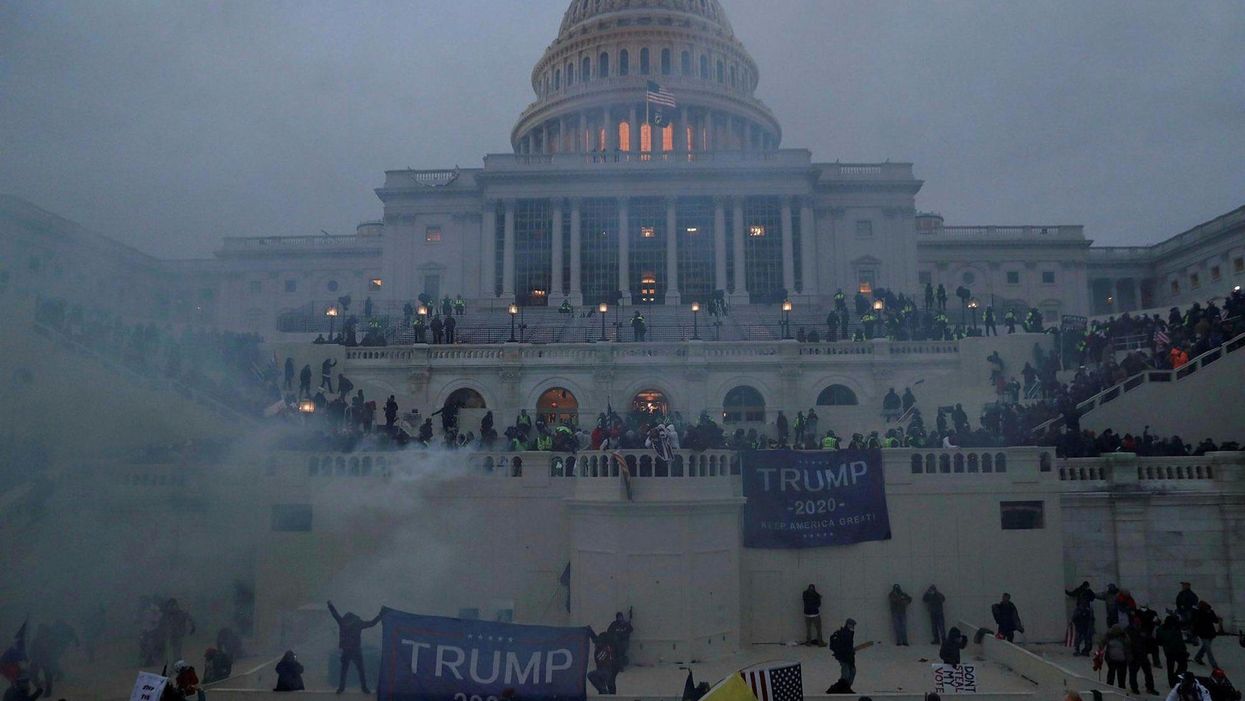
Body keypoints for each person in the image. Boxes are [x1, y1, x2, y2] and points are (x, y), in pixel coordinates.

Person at [327, 601, 381, 694]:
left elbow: (335, 614)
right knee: (361, 670)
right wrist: (380, 615)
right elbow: (372, 623)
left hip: (346, 649)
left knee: (344, 670)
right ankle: (364, 688)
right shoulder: (358, 623)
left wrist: (330, 606)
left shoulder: (342, 622)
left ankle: (341, 688)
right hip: (356, 649)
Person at [1158, 614, 1190, 689]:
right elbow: (1163, 639)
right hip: (1170, 651)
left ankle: (1175, 678)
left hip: (1177, 650)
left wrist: (1184, 649)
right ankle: (1173, 682)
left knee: (1182, 665)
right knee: (1172, 668)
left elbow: (1180, 639)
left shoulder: (1174, 628)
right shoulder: (1163, 629)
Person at [829, 618, 858, 693]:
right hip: (844, 657)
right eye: (852, 625)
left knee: (851, 672)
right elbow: (844, 646)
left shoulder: (849, 633)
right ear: (848, 624)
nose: (853, 627)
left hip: (848, 657)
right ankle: (843, 688)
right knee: (846, 673)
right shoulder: (845, 633)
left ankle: (846, 687)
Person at [1191, 601, 1221, 668]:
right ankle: (1213, 664)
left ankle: (1198, 657)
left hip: (1206, 633)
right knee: (1208, 649)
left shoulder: (1200, 612)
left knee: (1205, 647)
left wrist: (1194, 634)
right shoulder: (1202, 612)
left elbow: (1196, 624)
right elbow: (1215, 620)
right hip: (1207, 633)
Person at [1102, 625, 1130, 690]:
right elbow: (1102, 642)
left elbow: (1128, 644)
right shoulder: (1109, 635)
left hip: (1122, 660)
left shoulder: (1124, 636)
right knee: (1112, 675)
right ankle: (1109, 687)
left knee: (1121, 676)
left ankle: (1121, 688)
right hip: (1112, 660)